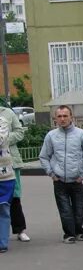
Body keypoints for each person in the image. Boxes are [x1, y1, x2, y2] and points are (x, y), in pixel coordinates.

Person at [39, 105, 83, 243]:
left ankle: (79, 231)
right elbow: (44, 156)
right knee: (65, 210)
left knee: (79, 210)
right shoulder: (51, 136)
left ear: (71, 117)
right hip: (59, 180)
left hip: (76, 180)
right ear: (55, 119)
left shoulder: (81, 134)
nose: (62, 119)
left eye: (65, 116)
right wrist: (51, 173)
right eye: (59, 116)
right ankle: (69, 234)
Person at [0, 103, 28, 243]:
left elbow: (19, 132)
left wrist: (3, 139)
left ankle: (20, 230)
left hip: (9, 161)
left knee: (14, 196)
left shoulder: (7, 113)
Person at [0, 116, 15, 254]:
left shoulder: (2, 121)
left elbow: (1, 139)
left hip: (4, 177)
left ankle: (2, 243)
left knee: (3, 210)